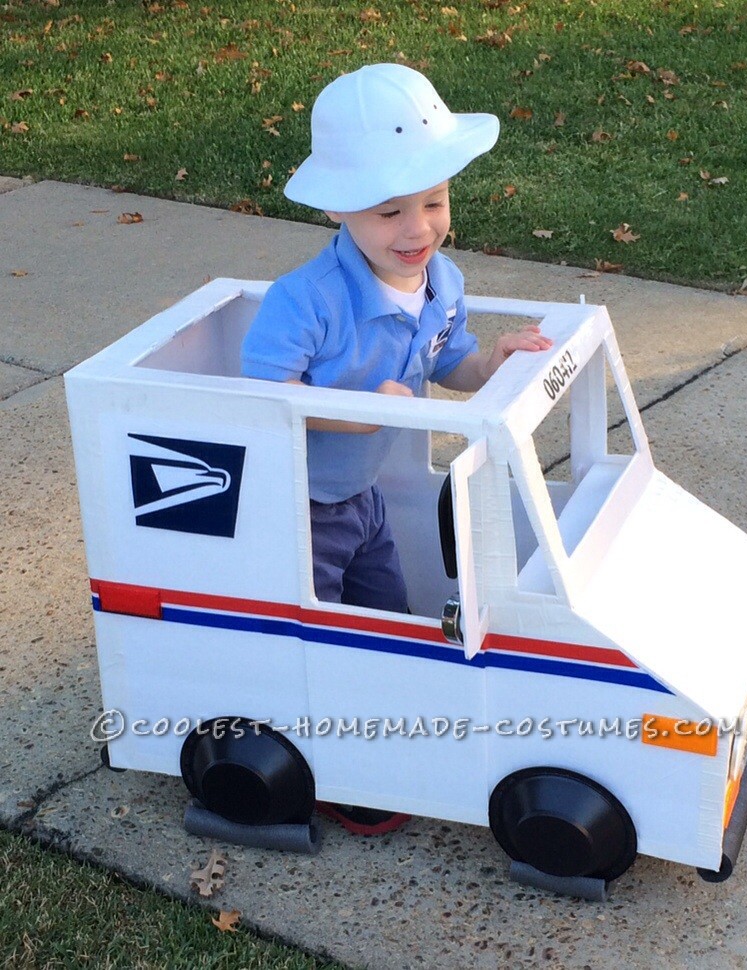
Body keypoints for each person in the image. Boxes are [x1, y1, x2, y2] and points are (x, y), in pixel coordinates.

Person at [241, 63, 551, 834]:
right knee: (320, 643)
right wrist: (353, 412)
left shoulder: (441, 283)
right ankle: (329, 766)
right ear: (340, 209)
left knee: (388, 617)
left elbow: (451, 362)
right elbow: (260, 404)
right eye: (389, 212)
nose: (418, 229)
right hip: (299, 512)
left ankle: (391, 739)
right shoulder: (305, 302)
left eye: (434, 202)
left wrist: (495, 361)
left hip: (365, 500)